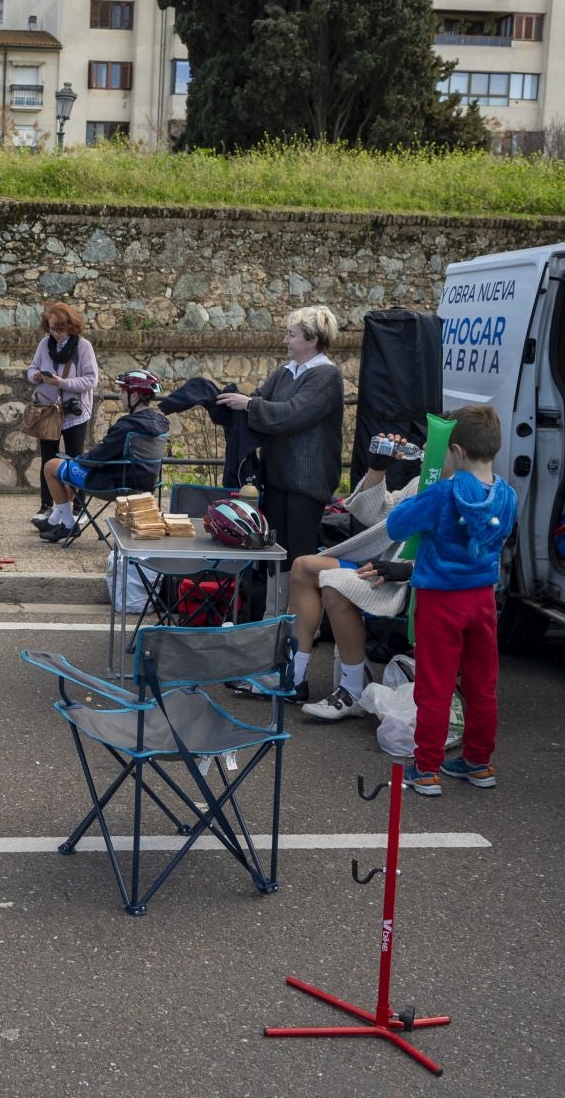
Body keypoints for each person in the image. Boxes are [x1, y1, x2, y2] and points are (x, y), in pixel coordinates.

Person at [381, 405, 518, 797]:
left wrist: (427, 485)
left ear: (456, 451)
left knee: (435, 686)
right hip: (483, 599)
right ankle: (479, 762)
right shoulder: (507, 495)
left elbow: (397, 525)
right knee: (482, 684)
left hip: (441, 599)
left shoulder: (444, 493)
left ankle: (426, 769)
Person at [274, 434, 421, 714]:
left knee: (335, 585)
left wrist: (408, 569)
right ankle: (294, 678)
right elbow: (373, 514)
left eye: (432, 447)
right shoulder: (422, 483)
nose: (424, 451)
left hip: (409, 581)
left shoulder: (457, 491)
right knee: (303, 567)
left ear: (455, 450)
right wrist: (378, 469)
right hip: (383, 568)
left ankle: (352, 691)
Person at [217, 305, 345, 567]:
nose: (285, 340)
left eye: (292, 335)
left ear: (312, 340)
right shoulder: (286, 370)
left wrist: (249, 405)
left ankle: (297, 608)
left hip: (306, 485)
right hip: (277, 480)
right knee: (272, 554)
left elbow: (292, 415)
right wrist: (226, 402)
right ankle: (271, 607)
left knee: (298, 557)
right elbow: (259, 400)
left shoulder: (327, 375)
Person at [38, 369, 168, 544]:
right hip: (145, 485)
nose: (120, 396)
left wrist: (77, 459)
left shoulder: (126, 427)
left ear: (135, 396)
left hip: (115, 485)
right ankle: (55, 519)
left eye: (123, 392)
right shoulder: (161, 424)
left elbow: (96, 458)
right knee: (68, 472)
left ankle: (69, 525)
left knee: (52, 466)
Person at [25, 303, 99, 531]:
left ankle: (78, 507)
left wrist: (62, 383)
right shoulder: (44, 344)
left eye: (59, 329)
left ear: (70, 326)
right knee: (48, 459)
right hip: (48, 411)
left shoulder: (83, 347)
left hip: (74, 414)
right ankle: (47, 506)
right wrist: (35, 375)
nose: (55, 334)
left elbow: (91, 379)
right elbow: (31, 369)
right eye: (51, 329)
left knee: (76, 460)